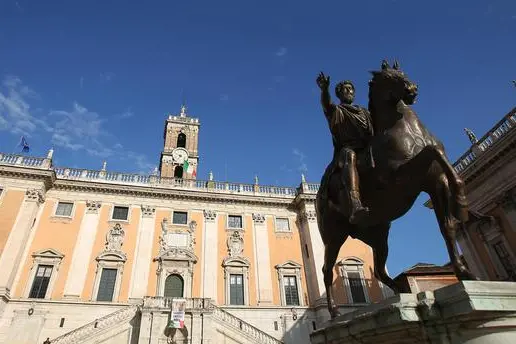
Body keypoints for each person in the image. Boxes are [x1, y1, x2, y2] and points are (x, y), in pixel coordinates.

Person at [316, 72, 374, 225]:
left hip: (368, 149)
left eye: (351, 89)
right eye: (345, 89)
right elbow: (326, 104)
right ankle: (354, 202)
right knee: (350, 155)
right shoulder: (337, 111)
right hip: (347, 150)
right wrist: (324, 89)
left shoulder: (365, 113)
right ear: (339, 94)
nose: (349, 91)